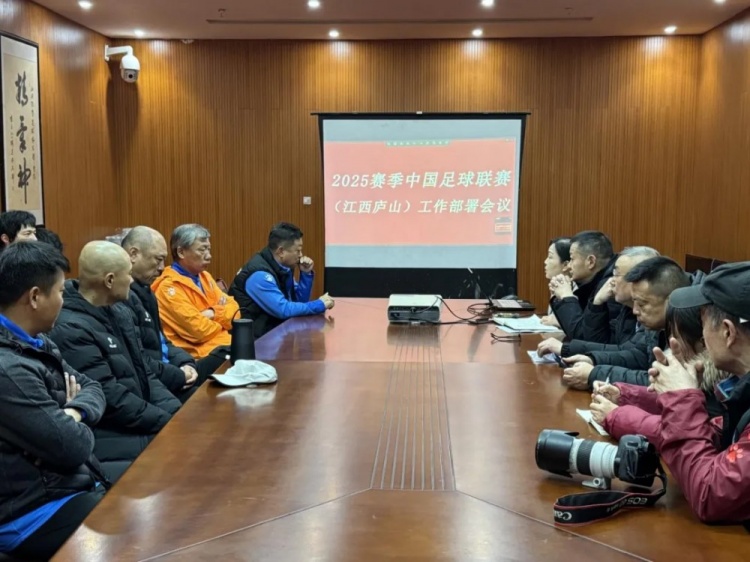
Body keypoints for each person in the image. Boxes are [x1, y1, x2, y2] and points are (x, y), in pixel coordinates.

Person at [0, 242, 109, 560]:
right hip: (29, 511)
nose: (65, 299)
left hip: (62, 483)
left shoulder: (35, 340)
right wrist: (71, 422)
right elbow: (73, 446)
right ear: (35, 297)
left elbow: (93, 387)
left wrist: (72, 412)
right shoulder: (7, 369)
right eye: (61, 291)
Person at [49, 241, 181, 481]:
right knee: (178, 459)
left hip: (137, 420)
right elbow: (111, 398)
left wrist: (176, 413)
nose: (131, 280)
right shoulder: (70, 329)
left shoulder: (120, 311)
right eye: (128, 274)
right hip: (106, 432)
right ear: (110, 280)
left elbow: (145, 373)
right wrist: (167, 422)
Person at [633, 262, 750, 524]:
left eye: (703, 324)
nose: (703, 338)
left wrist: (682, 399)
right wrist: (687, 398)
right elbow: (720, 440)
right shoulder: (740, 388)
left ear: (728, 332)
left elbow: (710, 495)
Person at [590, 303, 731, 444]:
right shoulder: (706, 371)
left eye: (675, 335)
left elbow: (684, 433)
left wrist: (616, 417)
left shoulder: (724, 384)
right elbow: (675, 408)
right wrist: (624, 395)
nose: (670, 342)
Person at [560, 256, 689, 390]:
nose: (635, 311)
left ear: (671, 301)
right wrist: (593, 360)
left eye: (642, 304)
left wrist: (595, 374)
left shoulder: (691, 330)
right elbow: (639, 355)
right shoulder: (660, 323)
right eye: (634, 302)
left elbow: (663, 382)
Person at [121, 226, 210, 401]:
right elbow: (140, 361)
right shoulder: (121, 299)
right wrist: (179, 375)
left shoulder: (146, 292)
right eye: (158, 259)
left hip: (171, 372)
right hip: (156, 384)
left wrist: (185, 363)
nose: (162, 267)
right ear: (133, 254)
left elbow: (162, 341)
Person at [537, 246, 660, 357]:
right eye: (613, 273)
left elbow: (628, 354)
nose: (611, 281)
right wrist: (597, 303)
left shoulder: (652, 314)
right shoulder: (626, 308)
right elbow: (601, 342)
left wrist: (566, 349)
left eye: (617, 274)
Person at [229, 222, 334, 338]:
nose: (301, 255)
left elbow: (298, 302)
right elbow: (283, 310)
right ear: (281, 251)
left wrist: (305, 274)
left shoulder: (282, 268)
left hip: (272, 334)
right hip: (254, 341)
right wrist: (319, 304)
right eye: (298, 250)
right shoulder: (259, 275)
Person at [153, 224, 239, 361]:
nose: (209, 256)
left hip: (225, 346)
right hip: (199, 357)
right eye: (202, 250)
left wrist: (212, 313)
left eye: (209, 249)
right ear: (181, 252)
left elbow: (236, 312)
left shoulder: (205, 277)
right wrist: (223, 319)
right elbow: (199, 331)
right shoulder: (168, 288)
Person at [549, 230, 621, 340]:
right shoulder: (594, 281)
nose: (569, 266)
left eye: (572, 259)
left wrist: (566, 297)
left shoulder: (610, 287)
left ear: (591, 261)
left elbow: (584, 337)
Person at [540, 237, 571, 327]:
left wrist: (562, 322)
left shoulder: (577, 290)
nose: (545, 261)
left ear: (565, 265)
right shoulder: (557, 283)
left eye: (550, 257)